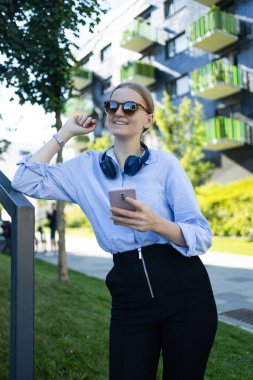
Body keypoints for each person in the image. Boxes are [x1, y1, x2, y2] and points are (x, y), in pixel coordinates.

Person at [11, 82, 217, 380]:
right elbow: (24, 180)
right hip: (128, 295)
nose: (120, 111)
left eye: (131, 106)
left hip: (186, 291)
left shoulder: (166, 166)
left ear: (148, 119)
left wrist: (155, 224)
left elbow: (202, 234)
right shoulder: (84, 168)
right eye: (112, 105)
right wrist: (65, 133)